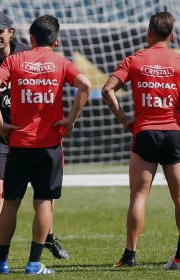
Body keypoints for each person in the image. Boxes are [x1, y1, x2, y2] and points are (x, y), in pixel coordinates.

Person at [0, 15, 91, 274]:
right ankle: (33, 263)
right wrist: (71, 120)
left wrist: (0, 125)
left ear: (31, 39)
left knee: (10, 202)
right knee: (44, 202)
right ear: (56, 41)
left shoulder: (15, 60)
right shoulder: (61, 62)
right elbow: (86, 84)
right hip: (49, 144)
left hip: (19, 143)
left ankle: (1, 263)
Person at [101, 11, 180, 269]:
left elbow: (107, 90)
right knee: (179, 198)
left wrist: (124, 119)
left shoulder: (135, 60)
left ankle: (129, 256)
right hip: (174, 133)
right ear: (171, 34)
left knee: (138, 196)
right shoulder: (178, 60)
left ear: (148, 33)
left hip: (145, 132)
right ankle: (179, 256)